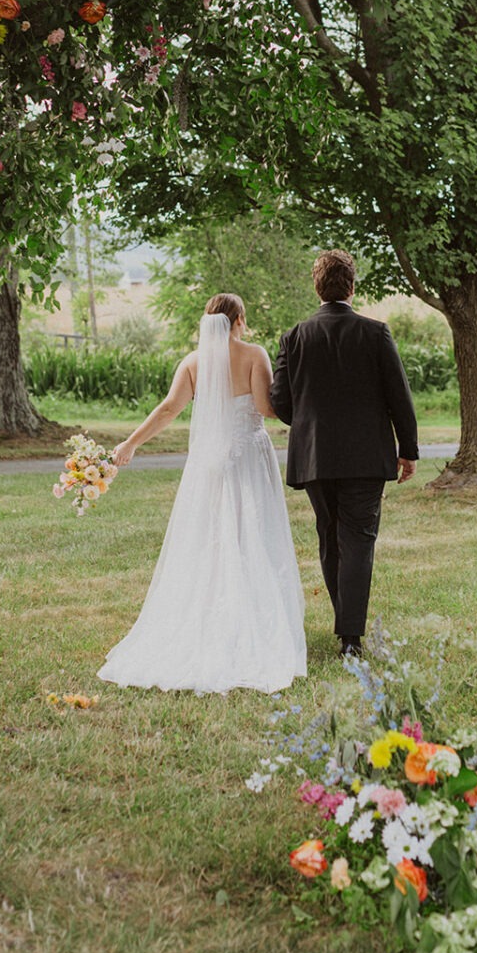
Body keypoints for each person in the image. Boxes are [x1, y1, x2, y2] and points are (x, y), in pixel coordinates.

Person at [97, 293, 306, 693]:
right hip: (247, 456)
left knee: (210, 539)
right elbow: (266, 408)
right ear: (239, 319)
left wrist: (130, 444)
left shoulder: (193, 363)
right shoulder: (253, 354)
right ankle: (252, 620)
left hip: (208, 461)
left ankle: (208, 614)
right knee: (252, 535)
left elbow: (167, 409)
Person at [270, 249, 418, 658]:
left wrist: (310, 421)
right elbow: (399, 397)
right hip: (367, 457)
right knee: (359, 540)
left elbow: (280, 403)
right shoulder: (375, 333)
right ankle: (350, 638)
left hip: (316, 457)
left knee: (330, 537)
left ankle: (346, 625)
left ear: (317, 288)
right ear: (352, 287)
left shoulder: (295, 337)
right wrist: (408, 450)